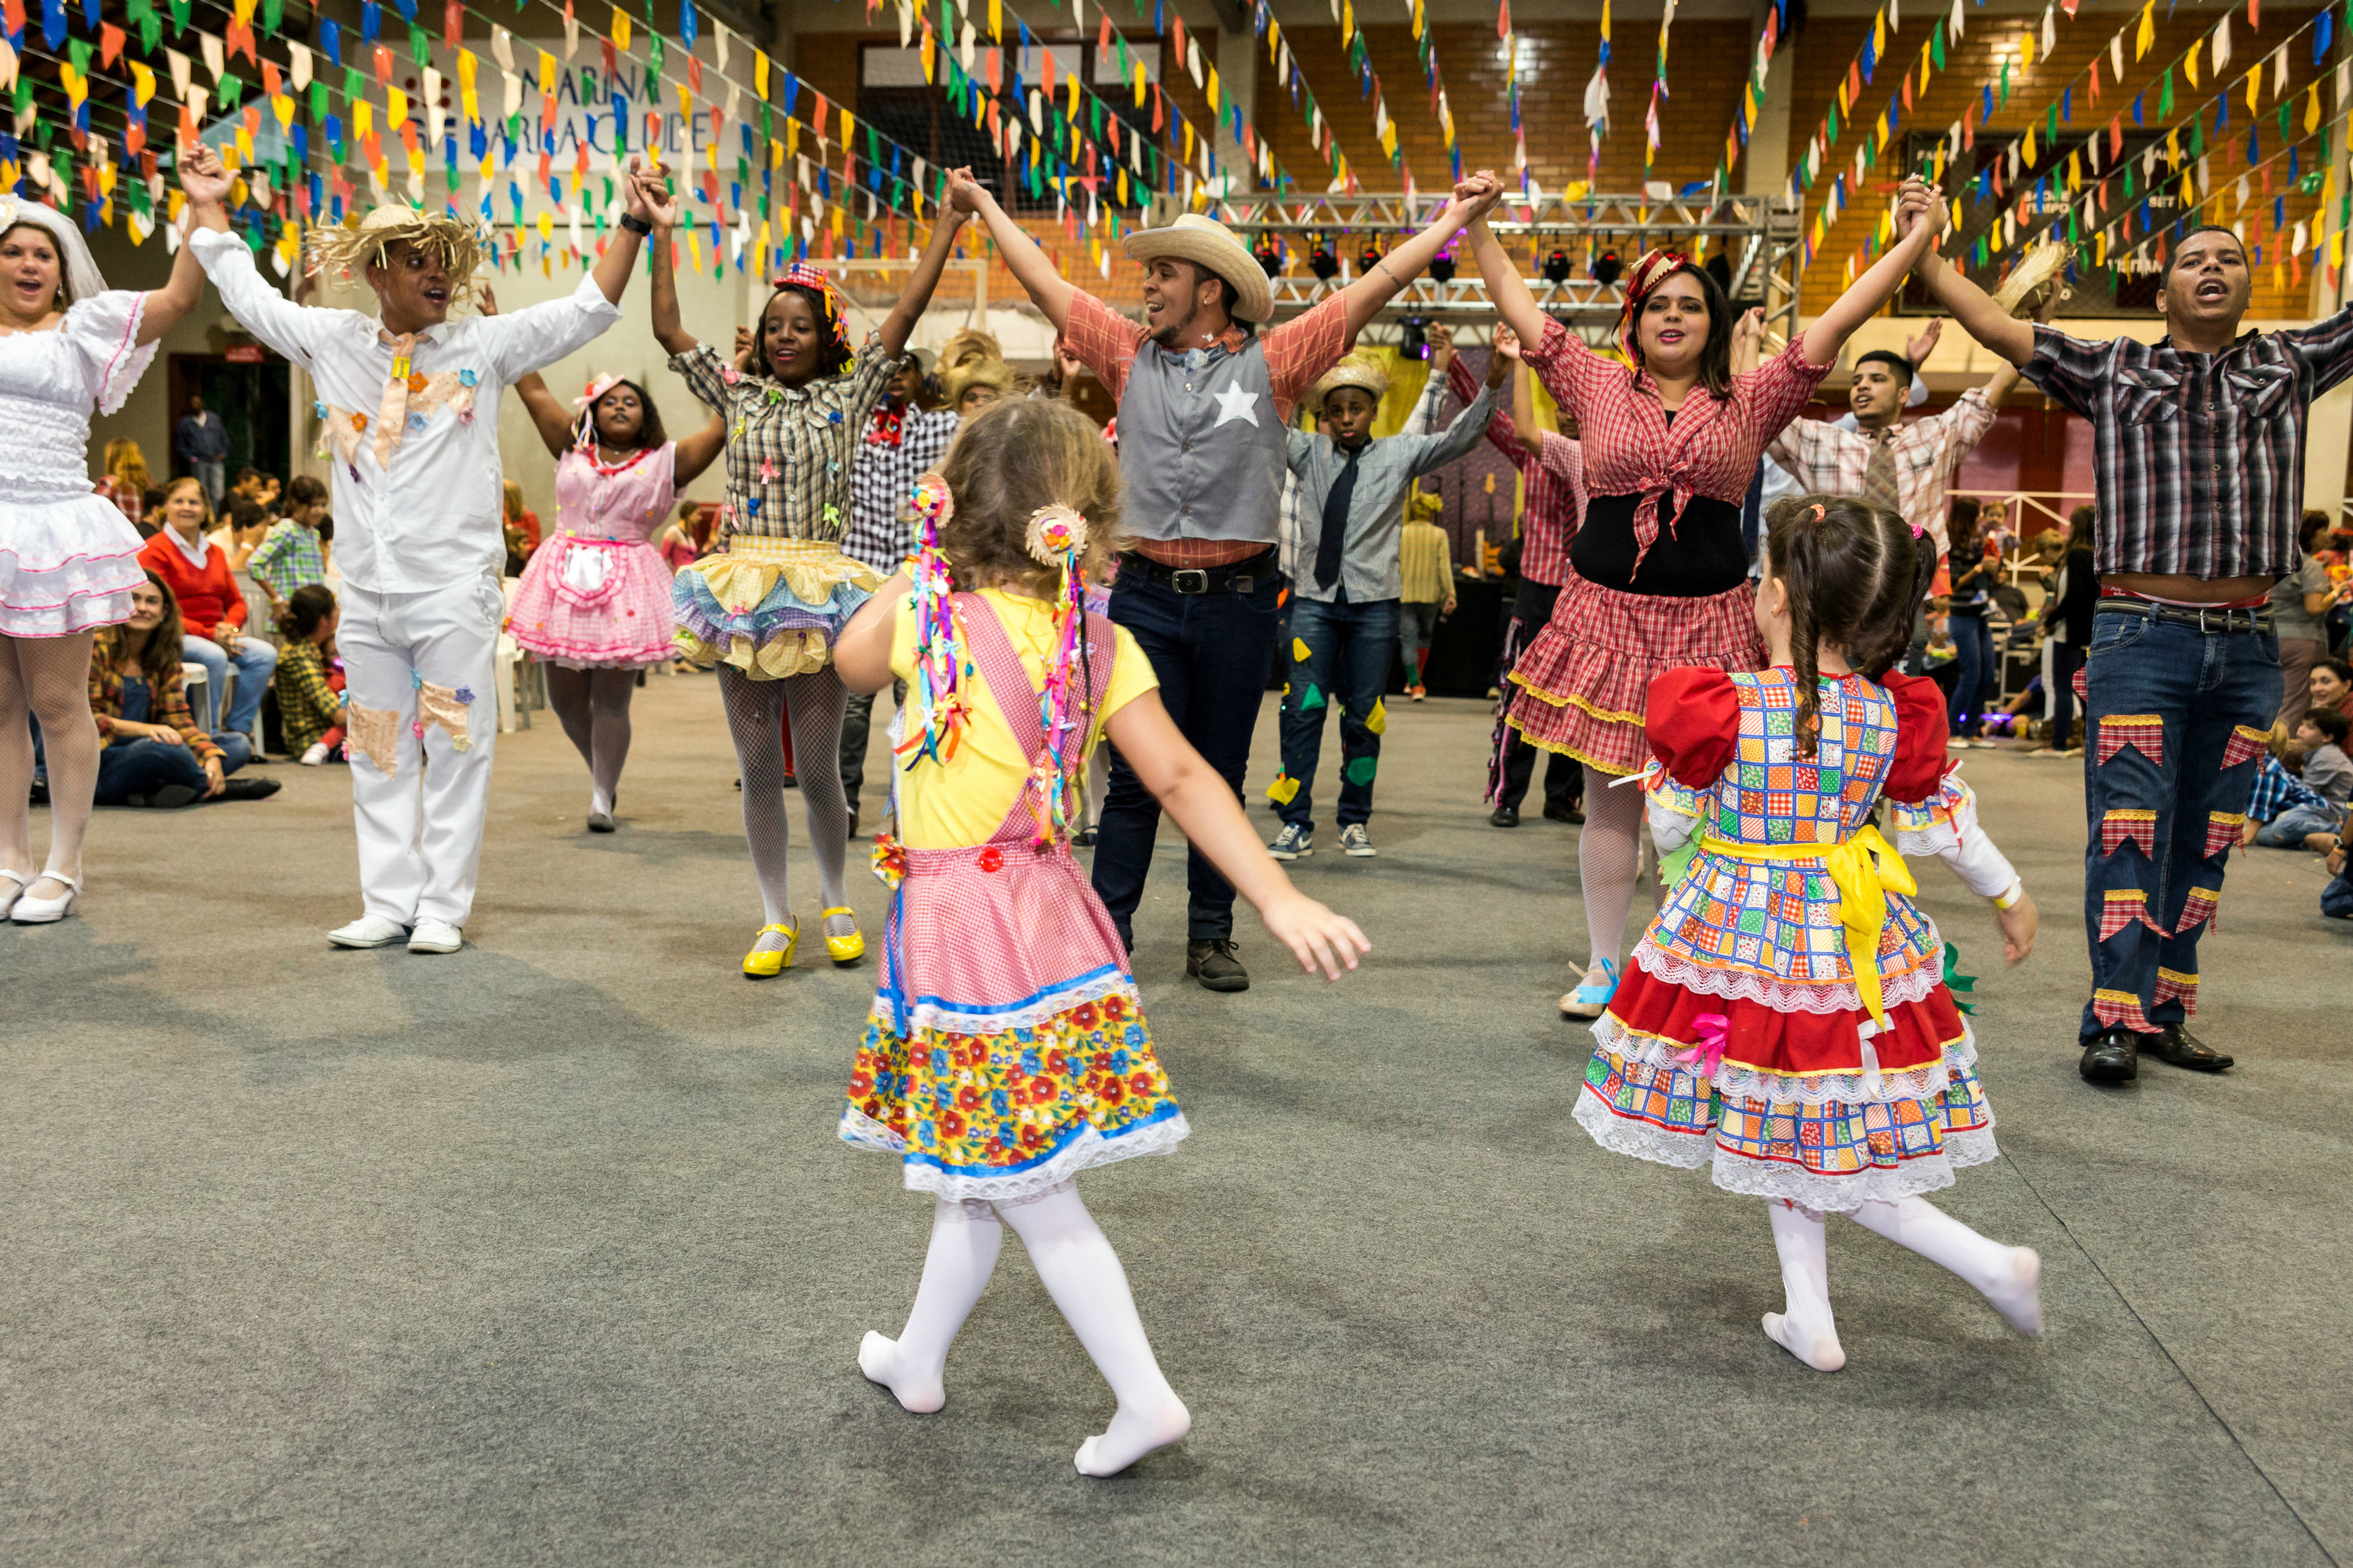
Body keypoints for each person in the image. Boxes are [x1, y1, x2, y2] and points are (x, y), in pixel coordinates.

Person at [829, 395, 1369, 1476]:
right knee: (982, 1161)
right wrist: (1277, 897)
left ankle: (1145, 1396)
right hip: (1045, 915)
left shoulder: (924, 614)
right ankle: (918, 1355)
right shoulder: (1096, 631)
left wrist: (916, 557)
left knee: (1030, 1186)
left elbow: (846, 661)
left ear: (958, 503)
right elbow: (1178, 775)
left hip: (967, 933)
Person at [947, 164, 1505, 991]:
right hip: (1139, 596)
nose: (1149, 285)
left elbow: (1380, 282)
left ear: (1210, 289)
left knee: (1216, 773)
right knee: (1134, 780)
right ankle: (1108, 935)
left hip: (1239, 602)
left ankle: (1212, 934)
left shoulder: (1278, 360)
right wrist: (987, 205)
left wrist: (1451, 219)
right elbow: (1042, 278)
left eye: (1164, 273)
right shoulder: (1122, 352)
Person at [1464, 172, 1945, 1022]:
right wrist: (1472, 221)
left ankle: (1687, 966)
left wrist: (1911, 244)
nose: (1672, 315)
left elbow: (1838, 320)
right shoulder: (1593, 383)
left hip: (1714, 627)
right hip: (1602, 623)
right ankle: (1607, 966)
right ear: (1634, 321)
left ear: (1714, 322)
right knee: (1612, 803)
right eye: (1656, 305)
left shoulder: (1752, 396)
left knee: (1705, 810)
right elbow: (1511, 293)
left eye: (1689, 304)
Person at [1577, 494, 2043, 1372]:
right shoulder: (1889, 711)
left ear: (1780, 597)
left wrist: (1685, 814)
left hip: (1742, 948)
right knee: (1794, 1128)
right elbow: (1944, 825)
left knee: (1810, 1143)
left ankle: (1990, 1265)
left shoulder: (1720, 705)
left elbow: (1671, 829)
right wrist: (2008, 892)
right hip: (1846, 943)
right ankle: (1810, 1315)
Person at [181, 143, 657, 954]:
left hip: (449, 596)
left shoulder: (483, 346)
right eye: (417, 261)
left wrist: (632, 225)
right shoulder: (333, 340)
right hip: (365, 594)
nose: (438, 274)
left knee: (454, 743)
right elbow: (248, 296)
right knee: (375, 743)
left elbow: (582, 309)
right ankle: (386, 899)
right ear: (377, 273)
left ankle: (441, 905)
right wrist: (210, 207)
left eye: (444, 261)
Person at [1913, 208, 2353, 1082]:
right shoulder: (2114, 365)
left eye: (2229, 258)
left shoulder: (2287, 362)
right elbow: (1996, 325)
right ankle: (2109, 1019)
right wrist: (1923, 253)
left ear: (2245, 283)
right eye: (2193, 260)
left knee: (2206, 834)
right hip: (2137, 636)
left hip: (2246, 644)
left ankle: (2163, 1012)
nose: (2212, 269)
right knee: (2127, 832)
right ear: (2165, 289)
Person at [646, 164, 970, 979]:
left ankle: (833, 899)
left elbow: (903, 312)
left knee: (820, 768)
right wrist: (658, 232)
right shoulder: (737, 397)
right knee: (761, 769)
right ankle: (771, 915)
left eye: (800, 326)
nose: (785, 337)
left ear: (827, 336)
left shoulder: (849, 396)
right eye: (774, 325)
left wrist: (947, 225)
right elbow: (667, 328)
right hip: (743, 593)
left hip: (821, 592)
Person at [1, 192, 208, 922]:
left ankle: (65, 863)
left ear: (61, 271)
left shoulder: (83, 330)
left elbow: (181, 296)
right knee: (0, 706)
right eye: (13, 251)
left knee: (57, 702)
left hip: (55, 529)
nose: (28, 264)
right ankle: (9, 858)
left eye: (42, 254)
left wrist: (203, 210)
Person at [1267, 347, 1502, 861]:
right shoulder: (1306, 451)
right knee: (1300, 713)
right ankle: (1294, 820)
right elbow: (1261, 417)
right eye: (1336, 410)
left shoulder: (1399, 455)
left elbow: (1459, 437)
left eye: (1357, 408)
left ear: (1374, 410)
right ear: (1324, 414)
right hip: (1313, 602)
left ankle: (1355, 818)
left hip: (1375, 606)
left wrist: (1493, 384)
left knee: (1364, 716)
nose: (1346, 418)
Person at [506, 364, 726, 832]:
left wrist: (739, 374)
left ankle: (602, 794)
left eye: (632, 401)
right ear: (592, 411)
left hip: (626, 583)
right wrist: (498, 323)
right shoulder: (570, 448)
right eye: (610, 400)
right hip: (560, 579)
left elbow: (722, 425)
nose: (621, 406)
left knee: (611, 698)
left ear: (647, 414)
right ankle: (601, 768)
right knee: (565, 700)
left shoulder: (665, 459)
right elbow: (533, 388)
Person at [1424, 325, 1587, 827]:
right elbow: (1491, 416)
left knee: (1576, 705)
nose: (1566, 410)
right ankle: (1509, 796)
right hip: (1537, 591)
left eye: (1574, 402)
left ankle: (1562, 796)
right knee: (1520, 701)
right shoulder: (1532, 450)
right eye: (1558, 402)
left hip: (1584, 599)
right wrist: (1453, 364)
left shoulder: (1606, 459)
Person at [840, 348, 962, 837]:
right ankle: (845, 803)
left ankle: (908, 807)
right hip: (860, 580)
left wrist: (1060, 378)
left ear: (918, 379)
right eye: (885, 370)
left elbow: (988, 418)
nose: (894, 378)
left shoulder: (937, 428)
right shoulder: (846, 430)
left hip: (918, 577)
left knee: (914, 693)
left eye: (904, 369)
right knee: (853, 700)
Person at [88, 570, 279, 807]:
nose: (142, 608)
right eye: (134, 599)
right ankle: (219, 789)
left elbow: (178, 720)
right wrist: (145, 730)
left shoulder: (164, 656)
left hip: (154, 747)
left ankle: (156, 791)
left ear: (165, 612)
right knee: (162, 748)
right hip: (101, 759)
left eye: (152, 601)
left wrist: (209, 755)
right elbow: (84, 720)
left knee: (237, 745)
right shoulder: (96, 648)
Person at [137, 477, 279, 744]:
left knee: (264, 655)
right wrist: (210, 634)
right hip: (173, 635)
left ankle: (237, 730)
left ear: (205, 509)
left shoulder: (213, 552)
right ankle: (208, 734)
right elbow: (158, 610)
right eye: (179, 501)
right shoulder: (155, 549)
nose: (186, 508)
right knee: (213, 656)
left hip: (217, 634)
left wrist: (230, 629)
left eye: (194, 502)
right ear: (166, 507)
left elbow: (236, 601)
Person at [2029, 512, 2098, 756]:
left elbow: (2073, 597)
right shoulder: (2092, 555)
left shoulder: (2078, 555)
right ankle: (2070, 741)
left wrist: (2050, 620)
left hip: (2068, 632)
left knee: (2062, 686)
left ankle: (2059, 743)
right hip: (2079, 630)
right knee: (2071, 687)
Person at [2274, 515, 2344, 729]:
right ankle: (2285, 756)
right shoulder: (2310, 565)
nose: (2328, 536)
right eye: (2323, 530)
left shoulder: (2277, 562)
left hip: (2271, 637)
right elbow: (2314, 607)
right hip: (2303, 640)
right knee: (2295, 703)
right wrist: (2337, 593)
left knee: (2274, 699)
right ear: (2310, 535)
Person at [1942, 507, 2001, 748]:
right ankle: (1950, 730)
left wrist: (1995, 571)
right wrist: (1978, 569)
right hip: (1962, 616)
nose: (1981, 521)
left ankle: (1970, 730)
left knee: (1987, 676)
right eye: (1976, 517)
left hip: (1980, 617)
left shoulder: (1980, 544)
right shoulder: (1952, 548)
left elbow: (1991, 576)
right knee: (1971, 675)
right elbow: (1951, 584)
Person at [272, 583, 349, 765]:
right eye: (336, 608)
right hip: (314, 741)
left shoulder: (308, 650)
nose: (339, 611)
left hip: (328, 734)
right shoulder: (299, 656)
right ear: (324, 620)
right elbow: (336, 714)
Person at [1397, 488, 1456, 701]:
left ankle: (1413, 682)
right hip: (1431, 596)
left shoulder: (1401, 533)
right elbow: (1444, 567)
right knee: (1424, 638)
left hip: (1405, 594)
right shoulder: (1439, 534)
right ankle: (1415, 683)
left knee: (1408, 639)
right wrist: (1450, 594)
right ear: (1430, 513)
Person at [247, 475, 333, 610]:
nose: (320, 511)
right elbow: (255, 564)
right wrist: (276, 599)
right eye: (313, 505)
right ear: (296, 504)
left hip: (310, 615)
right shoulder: (287, 529)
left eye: (323, 505)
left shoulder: (313, 533)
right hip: (290, 615)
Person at [938, 328, 1016, 417]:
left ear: (997, 408)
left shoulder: (1009, 429)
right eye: (972, 399)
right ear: (960, 408)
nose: (980, 403)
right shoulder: (945, 426)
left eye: (988, 399)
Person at [175, 393, 229, 505]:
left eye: (197, 402)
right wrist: (191, 458)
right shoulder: (185, 423)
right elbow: (181, 444)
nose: (196, 405)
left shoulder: (213, 419)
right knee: (201, 492)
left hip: (216, 460)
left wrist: (224, 453)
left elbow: (224, 437)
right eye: (193, 403)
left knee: (218, 493)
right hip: (199, 461)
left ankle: (216, 519)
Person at [93, 439, 152, 534]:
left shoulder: (109, 483)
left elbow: (95, 514)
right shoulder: (147, 484)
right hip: (143, 538)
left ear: (112, 459)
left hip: (119, 538)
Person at [501, 481, 540, 577]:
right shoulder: (499, 517)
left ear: (513, 499)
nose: (500, 502)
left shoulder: (529, 517)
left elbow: (535, 545)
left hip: (521, 567)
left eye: (504, 498)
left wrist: (525, 549)